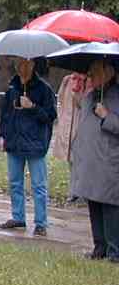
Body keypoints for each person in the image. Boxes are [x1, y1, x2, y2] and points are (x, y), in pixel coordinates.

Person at [0, 58, 57, 236]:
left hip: (35, 143)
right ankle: (18, 217)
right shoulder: (12, 88)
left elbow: (50, 116)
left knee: (38, 185)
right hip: (14, 142)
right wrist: (2, 135)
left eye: (24, 64)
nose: (20, 67)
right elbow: (5, 115)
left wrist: (32, 107)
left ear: (32, 65)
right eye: (18, 64)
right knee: (15, 183)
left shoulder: (44, 89)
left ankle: (41, 222)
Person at [70, 59, 119, 263]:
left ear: (109, 72)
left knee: (110, 207)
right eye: (90, 72)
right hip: (90, 161)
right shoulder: (91, 96)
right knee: (94, 204)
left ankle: (114, 252)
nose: (90, 76)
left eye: (95, 71)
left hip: (109, 162)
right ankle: (99, 247)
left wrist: (107, 116)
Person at [53, 72, 92, 202]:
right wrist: (61, 117)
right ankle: (74, 191)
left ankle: (83, 192)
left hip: (81, 126)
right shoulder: (67, 80)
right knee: (71, 159)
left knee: (81, 159)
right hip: (67, 125)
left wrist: (78, 95)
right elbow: (60, 100)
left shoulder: (89, 81)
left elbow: (86, 105)